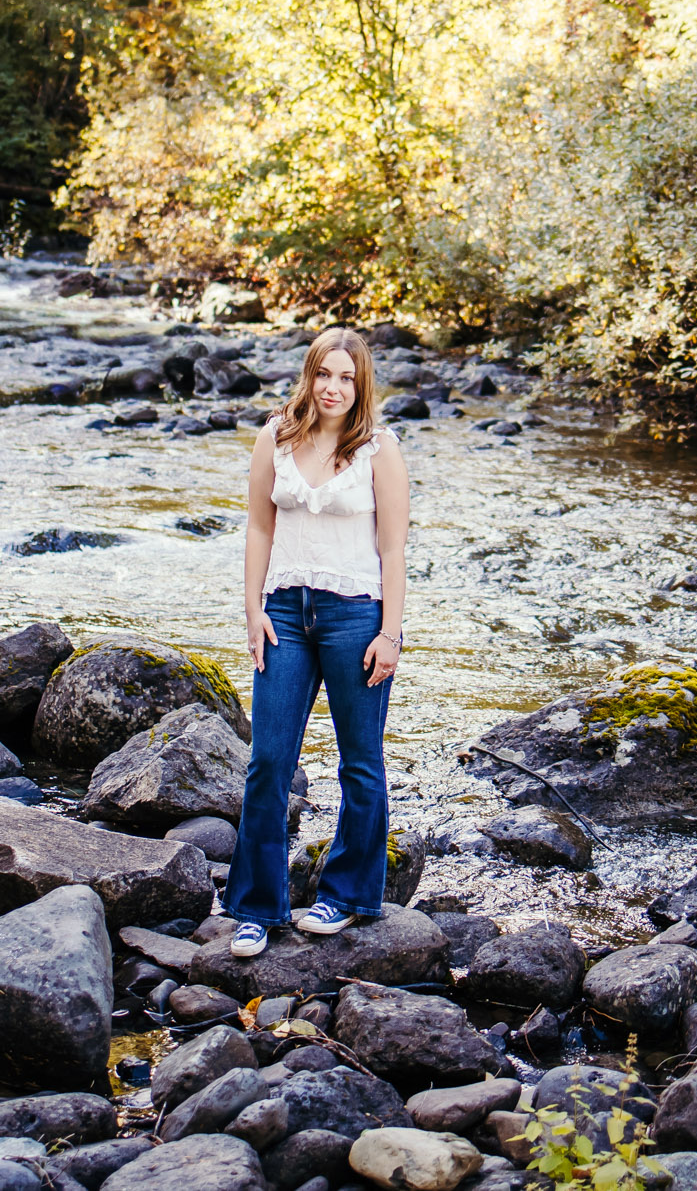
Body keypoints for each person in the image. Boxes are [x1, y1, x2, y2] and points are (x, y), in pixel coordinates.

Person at [222, 325, 409, 959]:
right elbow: (257, 528)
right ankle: (256, 909)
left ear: (362, 386)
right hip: (284, 614)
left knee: (360, 761)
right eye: (324, 374)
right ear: (309, 375)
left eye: (346, 378)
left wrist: (390, 632)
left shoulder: (380, 450)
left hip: (356, 617)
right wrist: (252, 610)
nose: (333, 388)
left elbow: (393, 547)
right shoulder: (275, 436)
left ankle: (346, 895)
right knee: (269, 759)